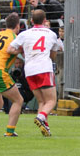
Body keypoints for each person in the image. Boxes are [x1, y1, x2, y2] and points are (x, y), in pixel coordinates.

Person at [7, 9, 60, 137]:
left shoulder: (24, 34)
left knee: (41, 101)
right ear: (45, 20)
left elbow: (10, 49)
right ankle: (41, 117)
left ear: (31, 21)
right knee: (52, 100)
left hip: (30, 70)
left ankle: (45, 127)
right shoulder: (51, 34)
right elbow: (53, 55)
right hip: (44, 68)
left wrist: (22, 51)